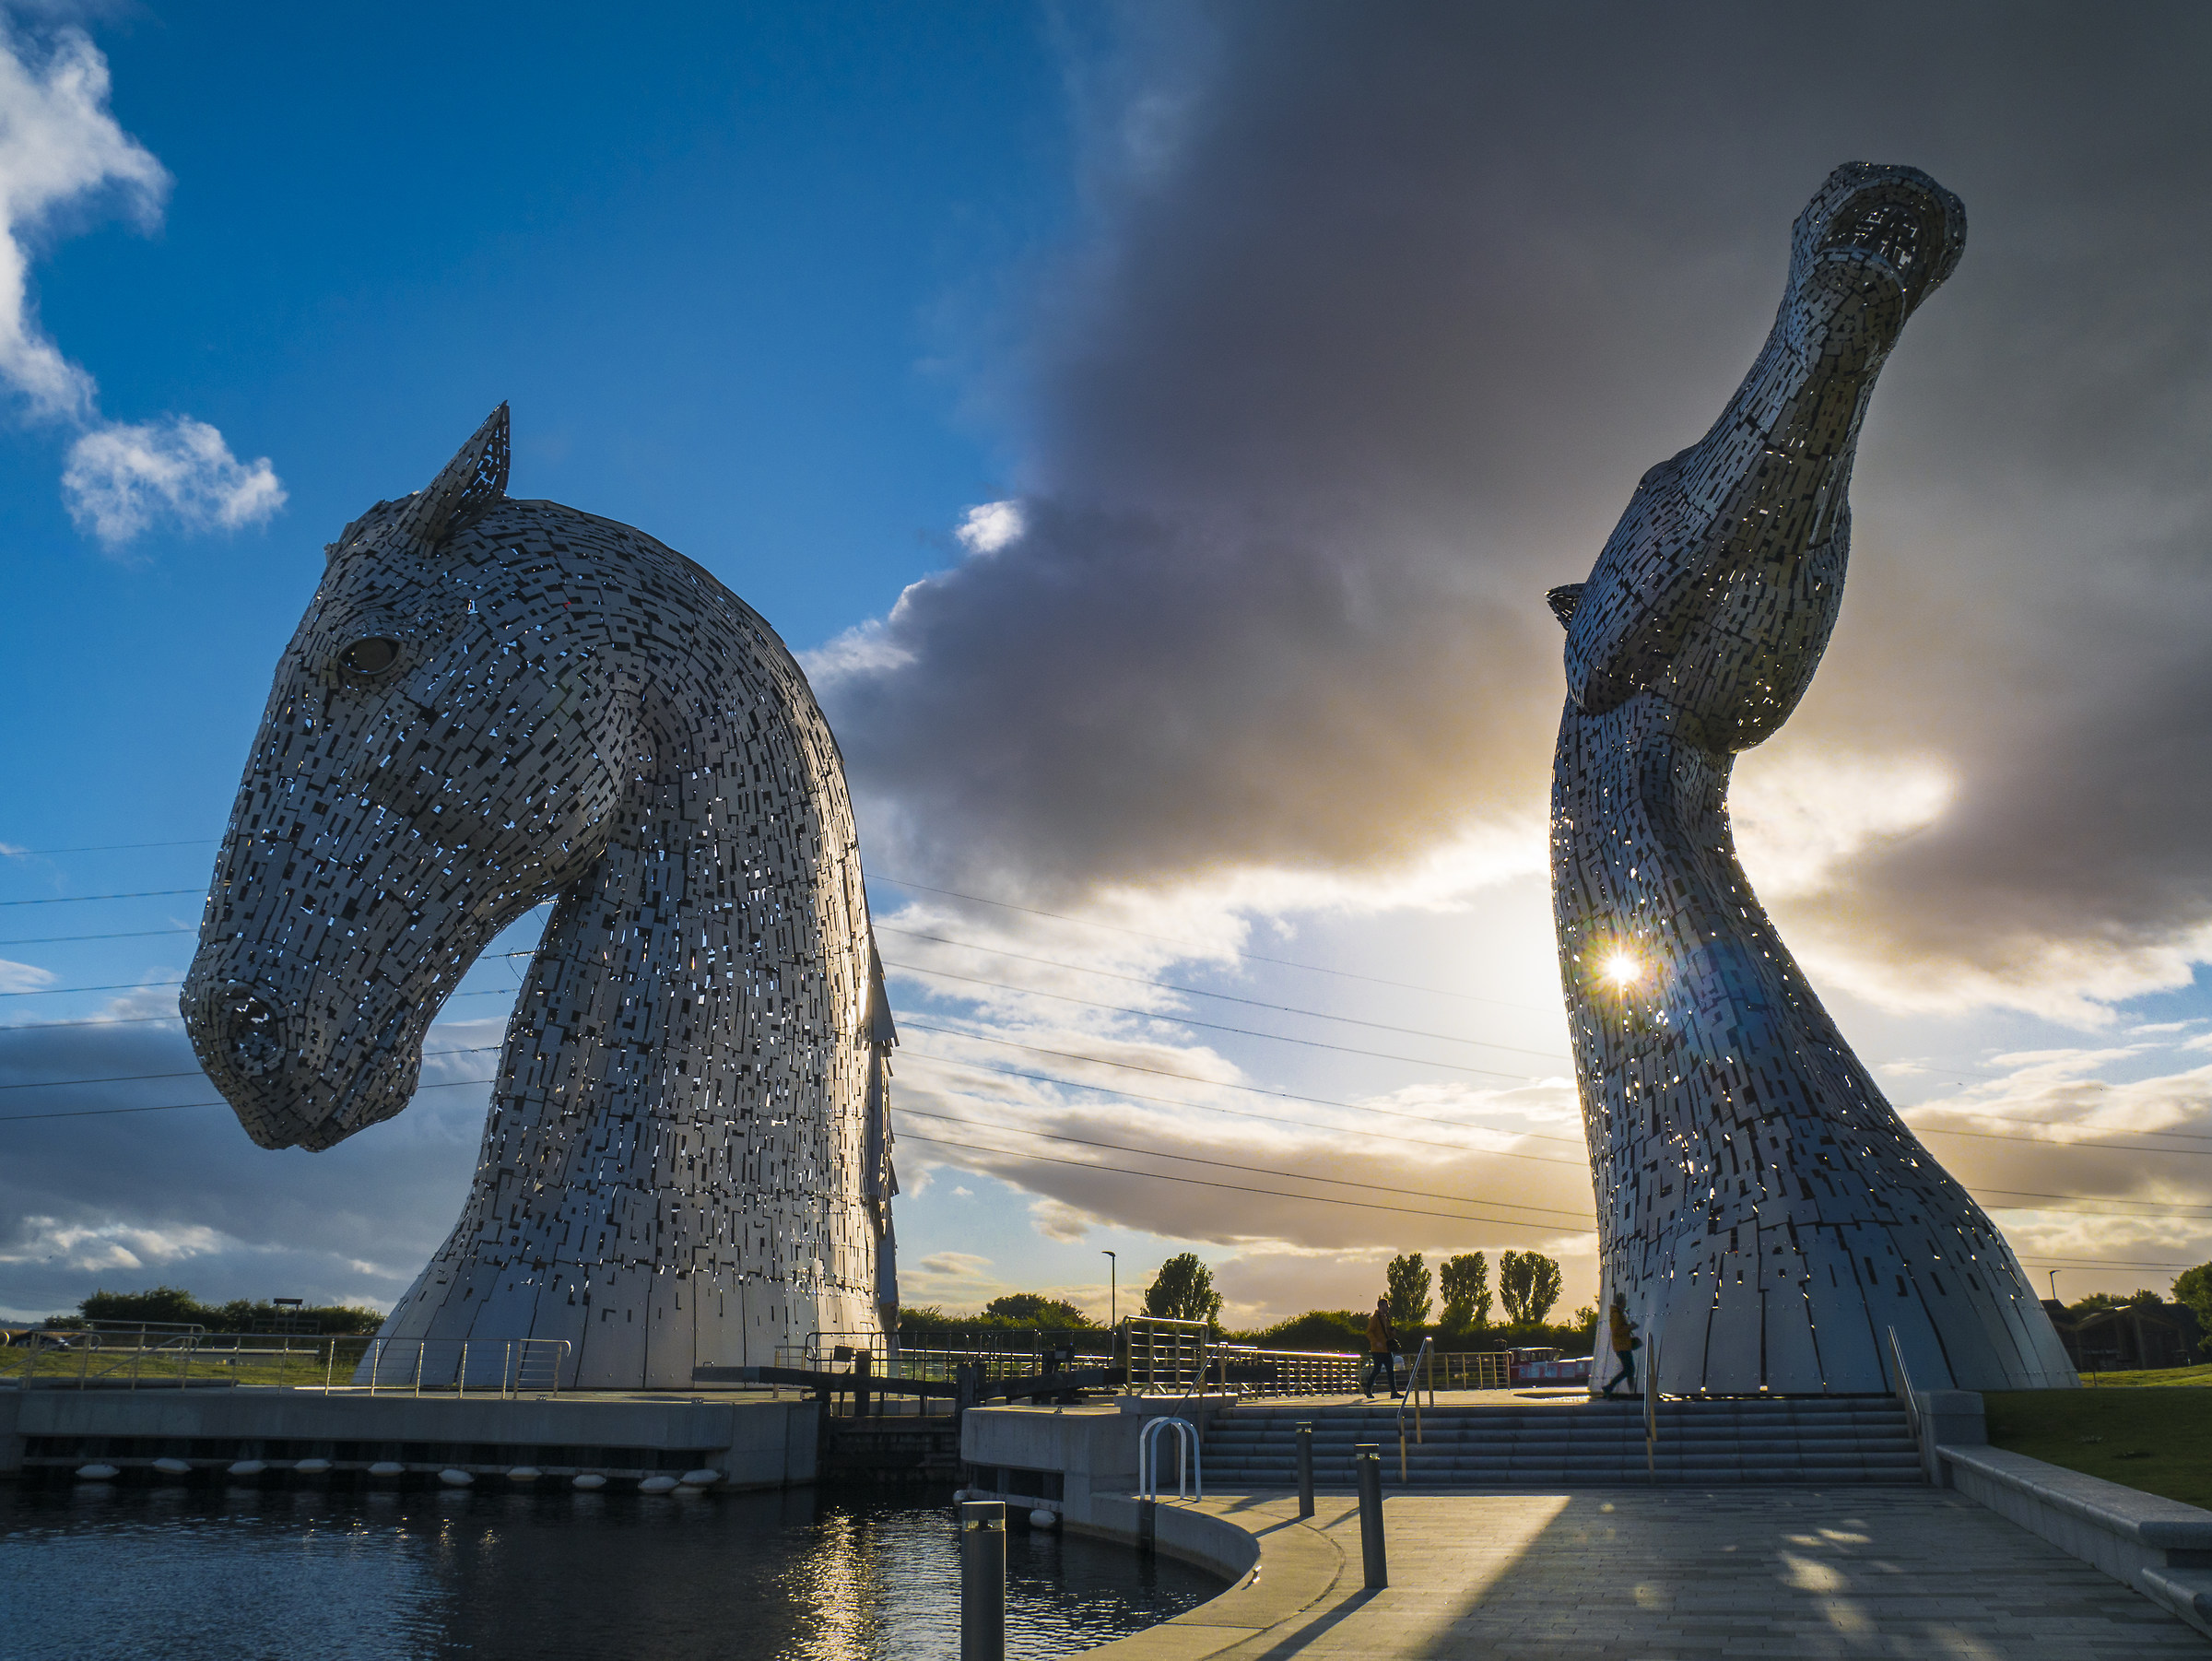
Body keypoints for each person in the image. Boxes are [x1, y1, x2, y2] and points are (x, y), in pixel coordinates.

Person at [1600, 1292, 1640, 1397]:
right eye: (1624, 1300)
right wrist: (1630, 1327)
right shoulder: (1616, 1315)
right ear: (1622, 1302)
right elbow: (1616, 1331)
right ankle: (1610, 1387)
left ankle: (1631, 1391)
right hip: (1621, 1346)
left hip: (1623, 1345)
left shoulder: (1618, 1313)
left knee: (1630, 1370)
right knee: (1629, 1369)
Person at [1364, 1296, 1400, 1398]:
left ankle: (1393, 1392)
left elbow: (1386, 1333)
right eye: (1386, 1305)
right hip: (1377, 1350)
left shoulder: (1386, 1318)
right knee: (1377, 1370)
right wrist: (1376, 1342)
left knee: (1390, 1370)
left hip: (1386, 1349)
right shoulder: (1375, 1319)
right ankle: (1368, 1389)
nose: (1387, 1307)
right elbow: (1368, 1332)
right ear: (1380, 1306)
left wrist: (1392, 1333)